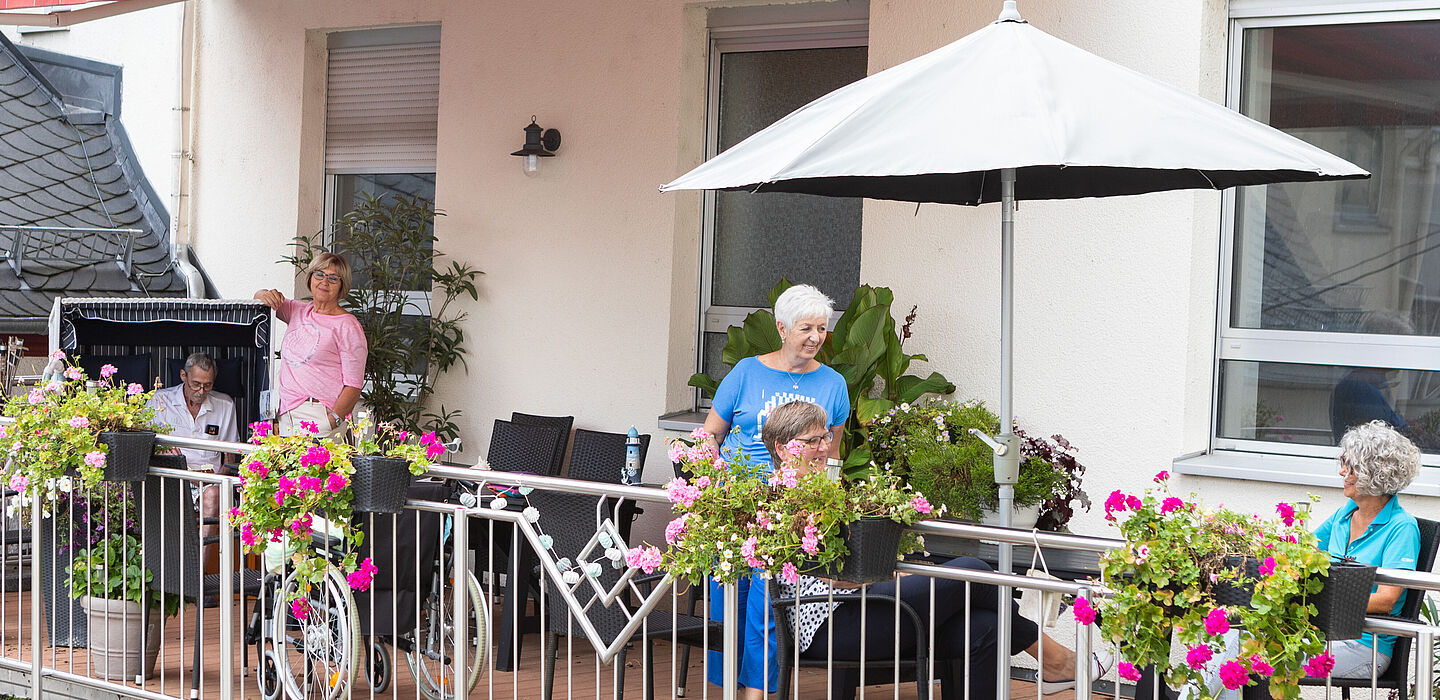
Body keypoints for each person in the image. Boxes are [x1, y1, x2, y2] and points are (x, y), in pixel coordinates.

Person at [759, 400, 1109, 699]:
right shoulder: (780, 503)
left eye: (825, 437)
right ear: (781, 447)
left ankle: (1057, 665)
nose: (823, 447)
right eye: (812, 441)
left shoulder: (829, 492)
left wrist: (893, 569)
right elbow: (840, 580)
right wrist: (885, 572)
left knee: (984, 624)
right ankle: (1056, 661)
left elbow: (861, 565)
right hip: (832, 625)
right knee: (974, 571)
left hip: (867, 605)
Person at [1168, 420, 1422, 700]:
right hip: (1322, 635)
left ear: (1373, 473)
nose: (1342, 472)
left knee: (1247, 646)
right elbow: (1298, 555)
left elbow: (1387, 600)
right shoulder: (1345, 515)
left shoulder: (1402, 527)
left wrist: (1319, 602)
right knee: (1236, 630)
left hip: (1364, 648)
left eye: (1349, 466)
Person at [700, 284, 850, 697]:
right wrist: (712, 483)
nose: (816, 337)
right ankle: (731, 688)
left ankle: (758, 692)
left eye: (822, 328)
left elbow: (831, 454)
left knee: (766, 608)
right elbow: (710, 435)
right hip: (739, 507)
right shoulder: (747, 372)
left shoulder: (833, 384)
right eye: (807, 328)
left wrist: (822, 506)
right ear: (782, 328)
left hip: (791, 513)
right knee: (730, 604)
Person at [148, 352, 240, 586]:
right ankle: (163, 577)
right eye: (196, 384)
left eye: (207, 386)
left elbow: (230, 454)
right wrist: (160, 451)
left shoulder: (225, 405)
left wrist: (220, 479)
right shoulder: (160, 401)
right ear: (183, 376)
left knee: (214, 495)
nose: (201, 391)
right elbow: (142, 442)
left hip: (209, 481)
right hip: (171, 477)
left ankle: (194, 578)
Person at [253, 252, 367, 438]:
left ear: (342, 285)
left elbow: (353, 385)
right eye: (319, 274)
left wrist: (332, 420)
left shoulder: (347, 325)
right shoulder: (298, 310)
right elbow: (259, 299)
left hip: (318, 414)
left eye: (333, 278)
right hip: (284, 414)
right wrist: (266, 294)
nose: (324, 282)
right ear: (310, 278)